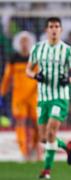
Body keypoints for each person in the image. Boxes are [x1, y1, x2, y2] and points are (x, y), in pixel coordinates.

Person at [26, 17, 71, 179]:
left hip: (60, 97)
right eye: (51, 26)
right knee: (44, 138)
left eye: (57, 26)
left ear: (61, 30)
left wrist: (68, 80)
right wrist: (36, 76)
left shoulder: (67, 51)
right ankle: (66, 147)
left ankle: (46, 171)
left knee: (51, 131)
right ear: (46, 29)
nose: (54, 29)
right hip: (43, 98)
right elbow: (28, 71)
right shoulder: (38, 48)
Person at [0, 31, 39, 161]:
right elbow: (7, 78)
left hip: (34, 96)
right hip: (18, 97)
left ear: (30, 43)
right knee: (20, 122)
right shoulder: (13, 59)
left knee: (36, 123)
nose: (24, 44)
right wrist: (2, 93)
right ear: (18, 43)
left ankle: (34, 148)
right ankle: (23, 152)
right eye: (22, 41)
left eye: (26, 41)